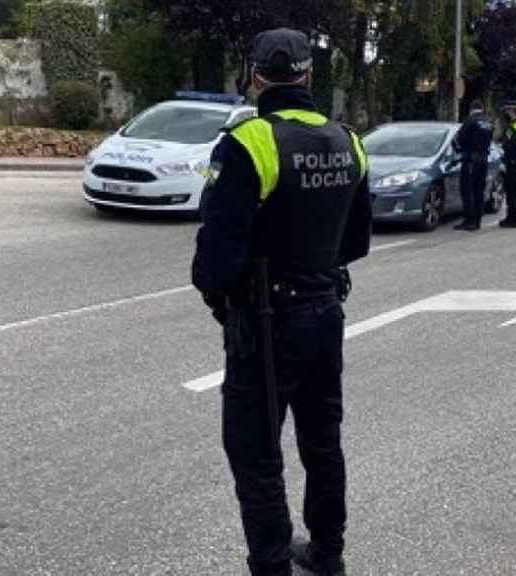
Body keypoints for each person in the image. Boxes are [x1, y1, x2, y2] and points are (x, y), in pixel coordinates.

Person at [192, 27, 372, 576]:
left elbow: (215, 259)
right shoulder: (349, 141)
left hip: (266, 320)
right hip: (326, 311)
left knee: (256, 454)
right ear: (309, 75)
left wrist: (227, 303)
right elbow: (357, 242)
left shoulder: (249, 142)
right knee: (322, 444)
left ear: (254, 77)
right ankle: (328, 555)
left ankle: (271, 565)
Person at [452, 100, 493, 231]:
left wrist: (461, 150)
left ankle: (469, 221)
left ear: (471, 109)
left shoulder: (469, 121)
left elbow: (459, 139)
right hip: (483, 159)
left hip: (470, 160)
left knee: (468, 191)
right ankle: (477, 221)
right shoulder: (488, 122)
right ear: (481, 108)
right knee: (479, 191)